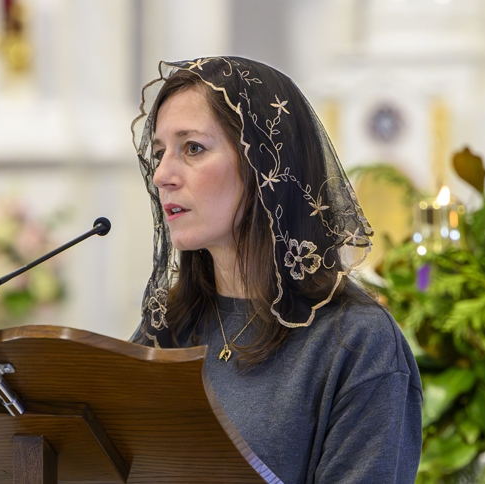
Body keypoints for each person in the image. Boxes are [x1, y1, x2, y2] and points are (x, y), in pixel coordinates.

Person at [130, 57, 423, 484]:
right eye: (159, 153)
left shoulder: (356, 343)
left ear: (267, 165)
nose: (162, 175)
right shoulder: (168, 326)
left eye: (192, 148)